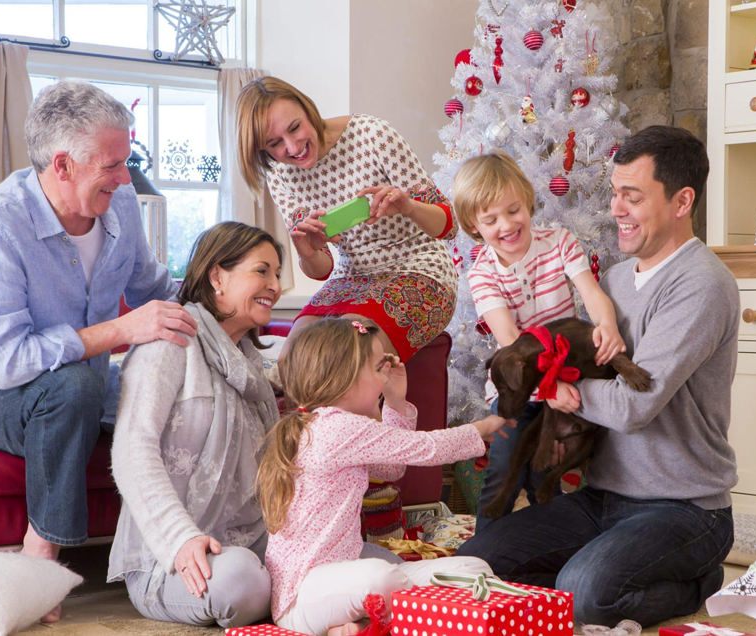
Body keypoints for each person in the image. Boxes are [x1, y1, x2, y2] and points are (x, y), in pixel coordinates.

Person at [457, 125, 740, 627]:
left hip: (684, 508)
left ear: (681, 201)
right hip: (602, 497)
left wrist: (559, 390)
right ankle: (600, 566)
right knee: (482, 560)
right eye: (614, 194)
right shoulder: (611, 281)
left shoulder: (701, 285)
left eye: (631, 197)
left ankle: (698, 579)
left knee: (583, 593)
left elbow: (633, 405)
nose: (615, 209)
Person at [0, 80, 194, 623]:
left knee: (173, 386)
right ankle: (43, 553)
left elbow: (156, 287)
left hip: (90, 385)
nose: (125, 177)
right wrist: (121, 331)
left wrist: (228, 307)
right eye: (112, 164)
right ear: (62, 165)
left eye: (126, 160)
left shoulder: (121, 205)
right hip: (6, 400)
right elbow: (10, 362)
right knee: (76, 383)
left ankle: (188, 549)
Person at [257, 317, 511, 636]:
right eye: (379, 369)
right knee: (382, 577)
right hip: (304, 594)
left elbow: (390, 470)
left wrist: (395, 401)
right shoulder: (335, 427)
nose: (384, 377)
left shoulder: (335, 426)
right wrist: (483, 426)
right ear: (346, 378)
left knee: (473, 569)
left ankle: (353, 626)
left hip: (342, 582)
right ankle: (372, 622)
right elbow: (426, 448)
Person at [107, 222, 284, 628]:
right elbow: (133, 449)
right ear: (217, 276)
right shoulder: (168, 341)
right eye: (262, 270)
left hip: (251, 540)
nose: (274, 285)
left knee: (365, 559)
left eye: (277, 274)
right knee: (241, 583)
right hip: (171, 557)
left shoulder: (247, 360)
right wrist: (180, 538)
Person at [451, 150, 625, 533]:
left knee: (545, 472)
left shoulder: (559, 242)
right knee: (505, 467)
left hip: (567, 380)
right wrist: (548, 390)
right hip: (520, 386)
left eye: (514, 210)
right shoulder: (482, 274)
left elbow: (591, 293)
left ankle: (552, 554)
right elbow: (512, 342)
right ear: (473, 226)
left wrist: (607, 325)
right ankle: (484, 552)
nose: (507, 225)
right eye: (491, 219)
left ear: (528, 201)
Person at [235, 76, 458, 367]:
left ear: (307, 109)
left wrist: (408, 206)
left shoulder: (373, 134)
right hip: (349, 277)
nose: (293, 147)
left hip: (419, 268)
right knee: (291, 360)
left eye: (295, 128)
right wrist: (306, 250)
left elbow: (449, 225)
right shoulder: (280, 175)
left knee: (349, 349)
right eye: (275, 143)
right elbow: (322, 269)